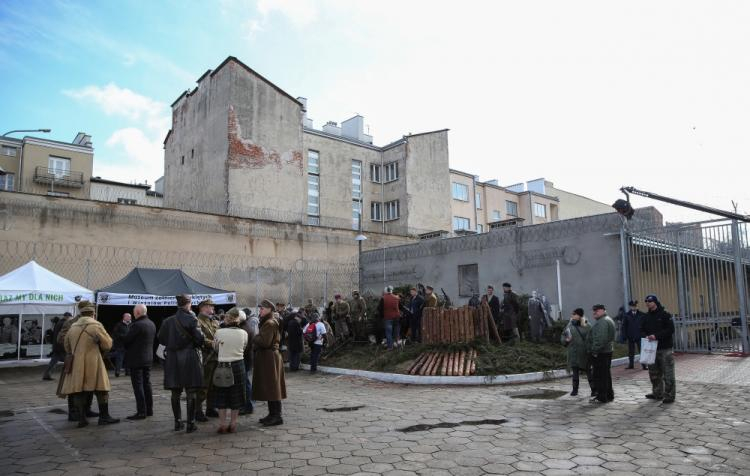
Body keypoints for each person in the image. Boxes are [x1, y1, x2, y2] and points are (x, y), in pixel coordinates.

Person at [61, 301, 119, 427]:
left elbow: (66, 346)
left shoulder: (73, 327)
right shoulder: (96, 325)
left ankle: (82, 419)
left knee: (79, 390)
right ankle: (104, 417)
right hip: (94, 362)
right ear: (93, 313)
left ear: (81, 313)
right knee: (101, 389)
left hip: (77, 363)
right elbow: (108, 344)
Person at [159, 294, 205, 433]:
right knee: (191, 391)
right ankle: (190, 423)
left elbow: (161, 338)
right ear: (188, 304)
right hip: (189, 356)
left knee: (175, 391)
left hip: (172, 358)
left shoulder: (167, 321)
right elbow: (200, 339)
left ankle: (177, 423)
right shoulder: (192, 319)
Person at [213, 307, 249, 433]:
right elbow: (244, 347)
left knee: (221, 396)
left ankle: (222, 424)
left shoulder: (219, 332)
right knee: (237, 396)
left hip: (222, 365)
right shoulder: (244, 333)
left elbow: (215, 349)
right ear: (238, 319)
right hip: (238, 365)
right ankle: (233, 424)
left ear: (227, 318)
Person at [253, 300, 287, 426]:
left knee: (273, 388)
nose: (260, 310)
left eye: (262, 308)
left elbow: (264, 342)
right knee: (270, 387)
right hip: (268, 357)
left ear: (269, 309)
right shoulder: (268, 322)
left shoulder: (269, 323)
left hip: (269, 358)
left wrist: (254, 336)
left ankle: (276, 416)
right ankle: (272, 414)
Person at [122, 304, 156, 420]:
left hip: (136, 360)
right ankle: (149, 410)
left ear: (137, 312)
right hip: (148, 358)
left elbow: (127, 340)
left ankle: (141, 411)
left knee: (138, 386)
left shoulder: (136, 325)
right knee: (147, 384)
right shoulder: (151, 323)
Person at [641, 294, 676, 404]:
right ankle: (657, 393)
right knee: (654, 373)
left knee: (668, 373)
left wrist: (656, 336)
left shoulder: (665, 314)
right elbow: (641, 329)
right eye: (646, 301)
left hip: (664, 348)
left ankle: (669, 395)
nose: (648, 303)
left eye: (650, 301)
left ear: (655, 302)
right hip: (651, 349)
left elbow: (670, 329)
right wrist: (645, 336)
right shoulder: (646, 316)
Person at [195, 299, 220, 421]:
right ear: (203, 307)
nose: (213, 309)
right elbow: (200, 338)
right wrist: (213, 344)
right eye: (211, 306)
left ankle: (210, 408)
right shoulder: (197, 321)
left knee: (214, 385)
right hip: (206, 357)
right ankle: (197, 411)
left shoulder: (214, 321)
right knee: (203, 386)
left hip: (215, 357)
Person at [586, 304, 615, 404]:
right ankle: (609, 395)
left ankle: (602, 397)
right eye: (593, 310)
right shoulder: (607, 319)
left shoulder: (602, 322)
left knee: (599, 376)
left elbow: (600, 339)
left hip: (601, 353)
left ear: (603, 310)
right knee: (606, 375)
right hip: (606, 351)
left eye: (597, 310)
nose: (594, 312)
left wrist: (594, 351)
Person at [561, 308, 593, 396]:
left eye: (574, 314)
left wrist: (590, 350)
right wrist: (566, 340)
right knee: (575, 372)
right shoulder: (569, 325)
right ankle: (575, 390)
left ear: (579, 316)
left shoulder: (587, 326)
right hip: (573, 352)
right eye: (572, 314)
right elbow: (563, 335)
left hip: (584, 353)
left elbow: (591, 339)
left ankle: (594, 389)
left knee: (589, 372)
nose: (572, 315)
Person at [43, 312, 72, 381]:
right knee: (69, 360)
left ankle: (46, 375)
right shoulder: (64, 323)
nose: (71, 319)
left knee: (53, 361)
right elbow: (63, 335)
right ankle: (70, 375)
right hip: (61, 346)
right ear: (67, 316)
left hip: (57, 346)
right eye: (70, 317)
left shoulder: (59, 323)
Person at [239, 308, 256, 415]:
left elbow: (244, 346)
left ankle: (248, 405)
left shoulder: (244, 328)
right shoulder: (246, 326)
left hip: (245, 358)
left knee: (246, 383)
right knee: (246, 382)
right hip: (248, 358)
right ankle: (248, 404)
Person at [623, 300, 647, 370]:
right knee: (631, 351)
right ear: (630, 307)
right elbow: (624, 326)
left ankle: (644, 365)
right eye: (632, 306)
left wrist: (645, 334)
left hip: (640, 336)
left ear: (637, 306)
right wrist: (624, 336)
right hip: (630, 336)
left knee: (642, 351)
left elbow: (645, 325)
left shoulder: (642, 314)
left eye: (635, 306)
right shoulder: (627, 315)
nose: (634, 307)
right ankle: (631, 365)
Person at [111, 313, 131, 377]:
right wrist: (123, 336)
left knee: (128, 359)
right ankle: (117, 372)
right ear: (124, 317)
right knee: (119, 359)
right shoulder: (119, 325)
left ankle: (128, 372)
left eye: (130, 317)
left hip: (129, 345)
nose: (129, 318)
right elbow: (115, 334)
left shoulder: (132, 324)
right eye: (127, 317)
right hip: (120, 345)